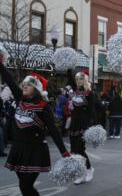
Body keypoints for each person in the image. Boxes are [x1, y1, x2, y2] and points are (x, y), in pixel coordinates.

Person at [0, 54, 70, 196]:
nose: (24, 85)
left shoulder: (44, 107)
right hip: (19, 148)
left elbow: (54, 131)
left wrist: (65, 153)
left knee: (26, 185)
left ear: (36, 88)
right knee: (23, 186)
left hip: (35, 151)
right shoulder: (20, 98)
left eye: (29, 84)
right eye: (24, 84)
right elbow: (10, 79)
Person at [67, 69, 97, 184]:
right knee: (74, 151)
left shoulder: (89, 93)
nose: (79, 80)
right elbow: (69, 77)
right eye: (77, 78)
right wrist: (69, 68)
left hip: (83, 125)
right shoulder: (75, 91)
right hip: (73, 124)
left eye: (81, 78)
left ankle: (89, 169)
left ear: (85, 80)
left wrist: (94, 125)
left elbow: (91, 111)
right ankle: (80, 173)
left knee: (80, 149)